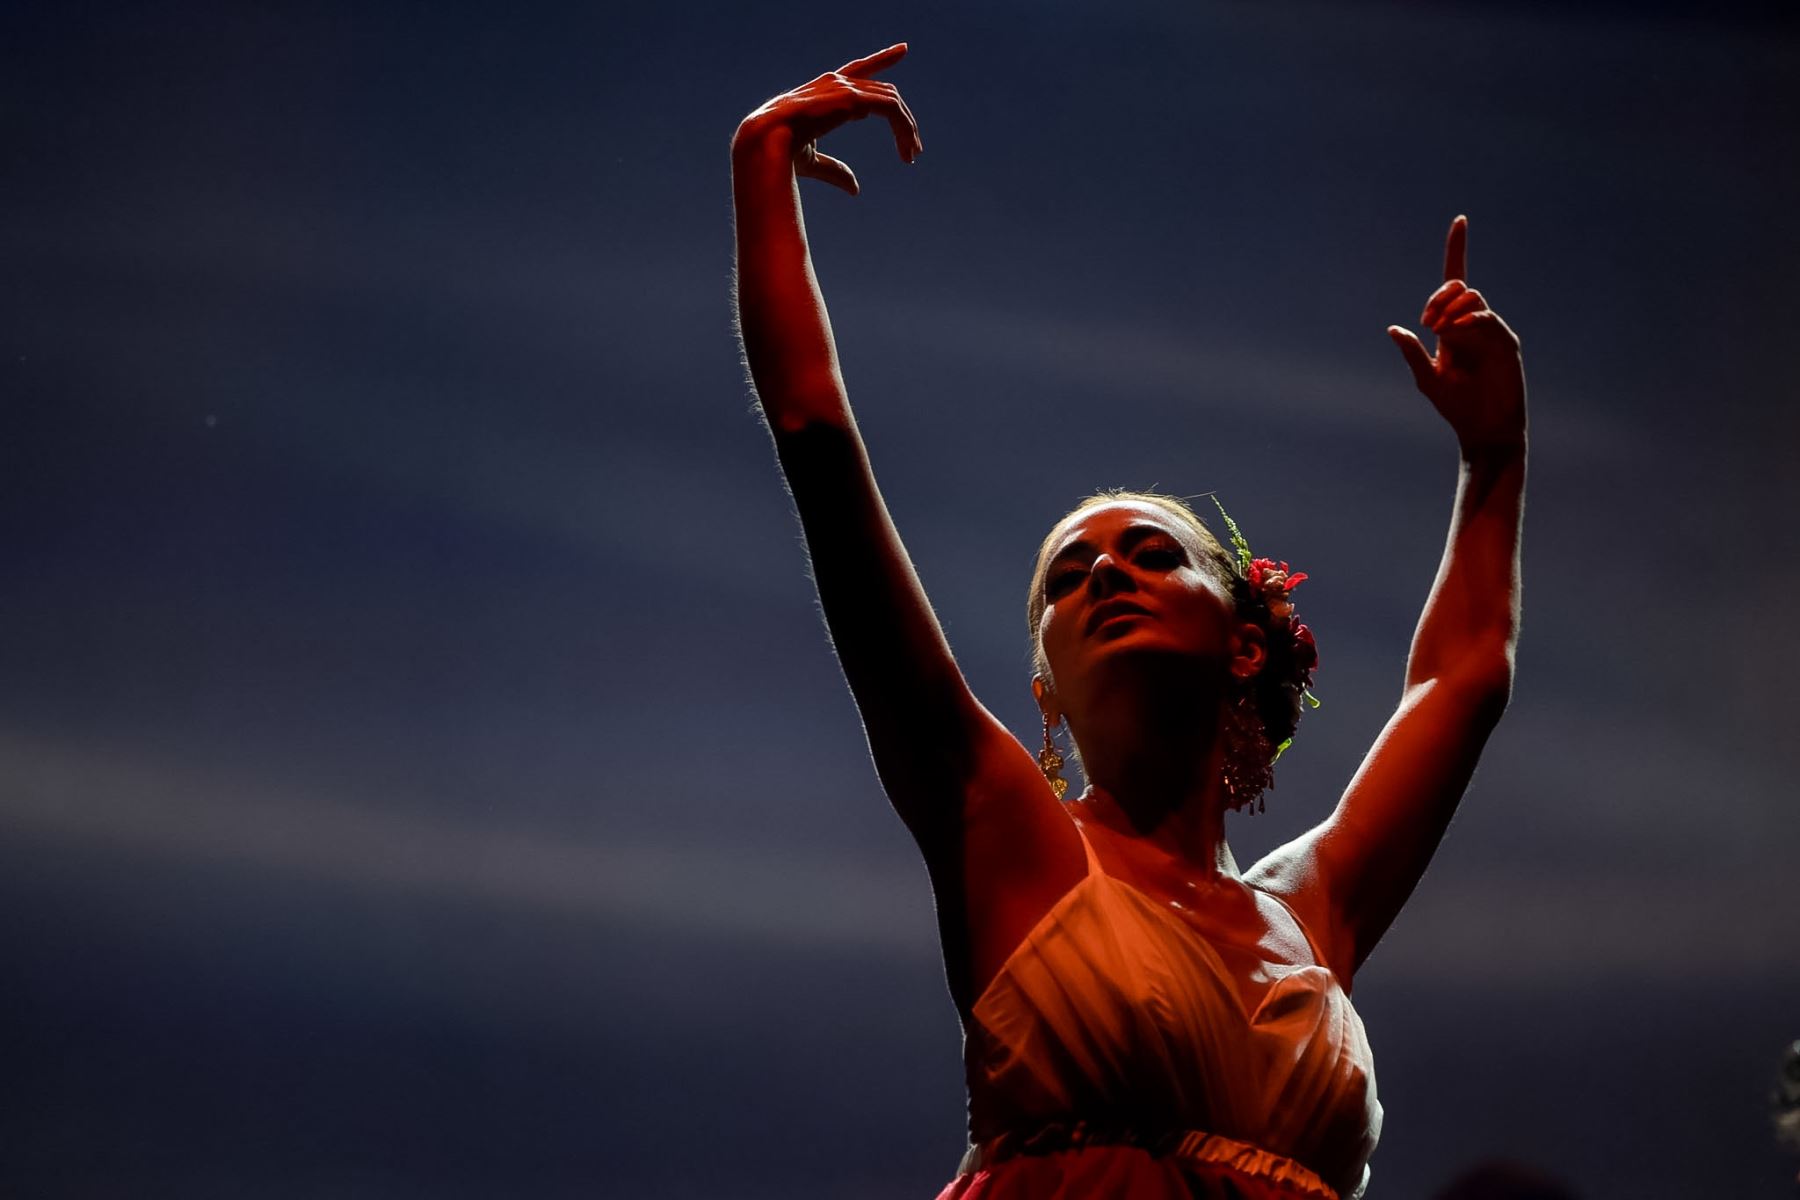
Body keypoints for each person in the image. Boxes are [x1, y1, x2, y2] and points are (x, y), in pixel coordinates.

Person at [730, 43, 1527, 1200]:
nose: (1104, 575)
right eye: (1067, 575)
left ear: (1243, 640)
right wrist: (758, 163)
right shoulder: (1004, 828)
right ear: (1044, 687)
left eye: (1151, 554)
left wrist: (1496, 457)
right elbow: (815, 436)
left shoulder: (1313, 912)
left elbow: (1461, 683)